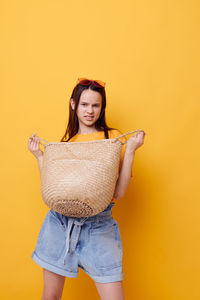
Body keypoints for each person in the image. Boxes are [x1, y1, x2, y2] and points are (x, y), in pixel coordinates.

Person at [28, 78, 146, 300]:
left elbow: (118, 193)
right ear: (73, 104)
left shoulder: (112, 138)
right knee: (50, 296)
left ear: (102, 108)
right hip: (59, 224)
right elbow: (54, 189)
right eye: (84, 104)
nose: (90, 111)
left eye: (95, 105)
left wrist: (130, 151)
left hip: (99, 225)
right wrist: (40, 157)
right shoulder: (67, 143)